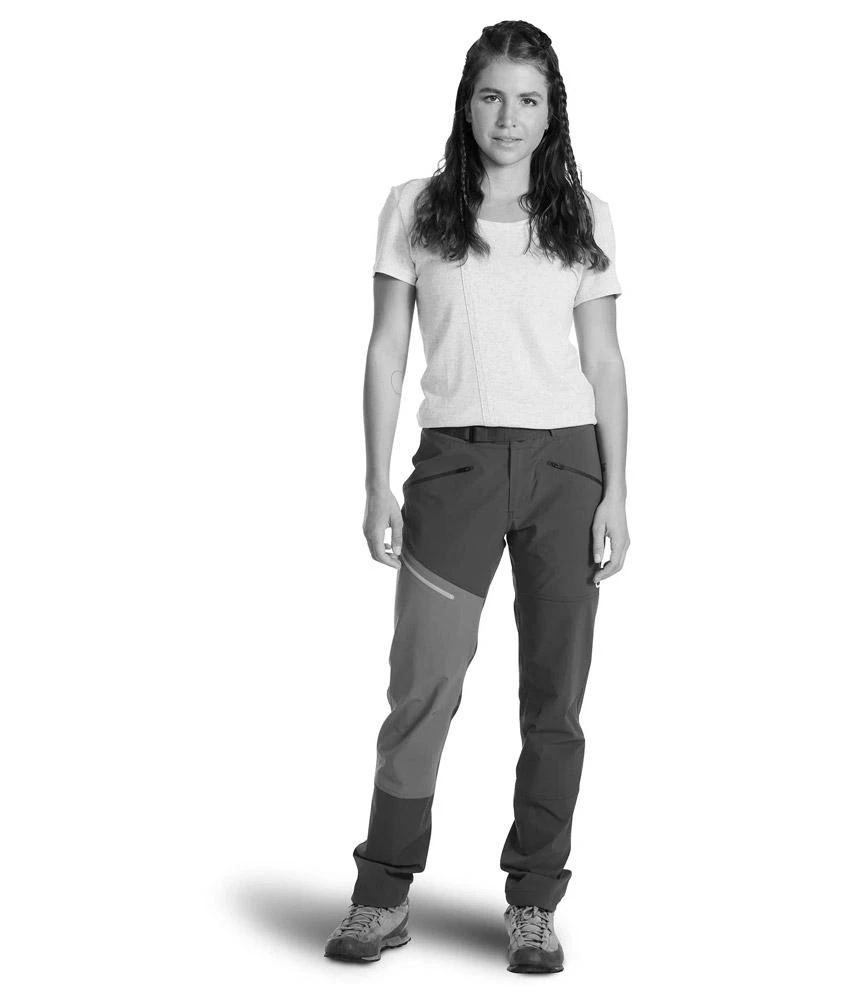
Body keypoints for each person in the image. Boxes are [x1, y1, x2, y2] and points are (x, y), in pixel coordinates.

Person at [324, 20, 630, 974]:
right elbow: (386, 349)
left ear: (551, 112)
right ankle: (382, 894)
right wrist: (374, 479)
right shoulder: (416, 208)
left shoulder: (584, 217)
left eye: (529, 99)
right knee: (424, 685)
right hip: (453, 469)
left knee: (555, 698)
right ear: (467, 103)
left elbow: (605, 361)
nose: (509, 117)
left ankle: (534, 902)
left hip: (566, 469)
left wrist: (618, 492)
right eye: (493, 96)